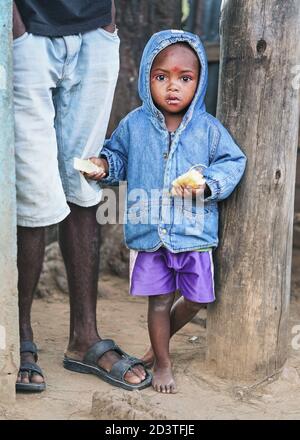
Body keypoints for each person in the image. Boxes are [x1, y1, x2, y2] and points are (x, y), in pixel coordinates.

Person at [86, 30, 247, 394]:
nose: (172, 87)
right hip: (150, 233)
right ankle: (162, 361)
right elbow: (118, 157)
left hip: (194, 232)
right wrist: (103, 165)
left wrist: (208, 184)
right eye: (161, 77)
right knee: (158, 302)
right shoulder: (135, 124)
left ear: (200, 81)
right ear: (147, 77)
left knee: (198, 299)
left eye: (184, 78)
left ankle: (159, 344)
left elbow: (233, 162)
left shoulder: (209, 129)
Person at [13, 0, 150, 393]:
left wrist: (106, 21)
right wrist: (16, 30)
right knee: (34, 193)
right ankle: (22, 337)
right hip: (28, 35)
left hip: (94, 33)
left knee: (84, 183)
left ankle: (84, 338)